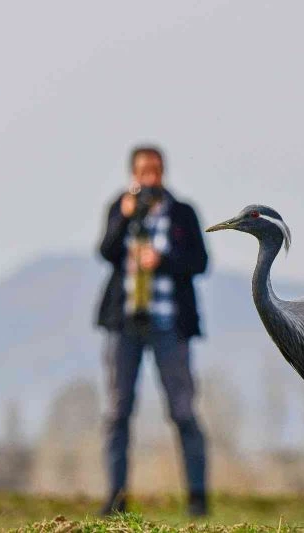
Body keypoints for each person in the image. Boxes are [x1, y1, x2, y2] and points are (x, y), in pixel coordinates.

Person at [95, 145, 209, 516]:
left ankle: (197, 499)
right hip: (124, 323)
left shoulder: (182, 213)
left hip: (169, 325)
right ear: (132, 174)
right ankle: (115, 499)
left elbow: (200, 261)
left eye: (156, 170)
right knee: (117, 412)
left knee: (182, 411)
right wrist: (123, 219)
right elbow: (106, 252)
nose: (150, 177)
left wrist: (163, 261)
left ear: (163, 172)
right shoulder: (120, 208)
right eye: (143, 170)